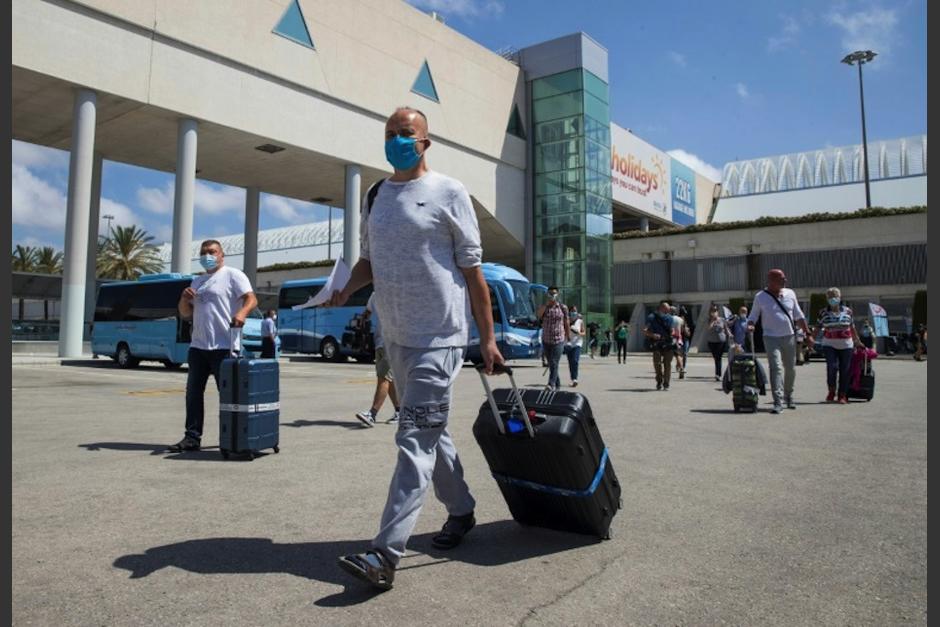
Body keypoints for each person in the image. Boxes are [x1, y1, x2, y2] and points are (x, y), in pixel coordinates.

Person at [329, 107, 503, 590]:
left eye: (406, 133)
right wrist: (345, 288)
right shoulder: (376, 194)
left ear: (425, 141)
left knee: (413, 440)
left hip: (439, 337)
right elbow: (369, 260)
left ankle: (384, 553)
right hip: (396, 335)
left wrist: (486, 338)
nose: (397, 140)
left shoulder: (449, 192)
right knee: (428, 431)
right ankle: (462, 511)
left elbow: (472, 271)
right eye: (390, 133)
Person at [167, 240, 257, 452]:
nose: (208, 255)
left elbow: (251, 299)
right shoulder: (197, 281)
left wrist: (242, 313)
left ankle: (231, 437)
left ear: (221, 255)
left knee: (228, 396)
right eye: (204, 252)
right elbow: (186, 313)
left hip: (224, 346)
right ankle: (192, 438)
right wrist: (183, 298)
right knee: (193, 394)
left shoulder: (233, 275)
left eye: (212, 252)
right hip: (198, 347)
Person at [746, 269, 813, 414]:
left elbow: (798, 315)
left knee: (791, 368)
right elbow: (753, 315)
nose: (785, 280)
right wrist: (750, 324)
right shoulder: (760, 297)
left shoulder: (790, 294)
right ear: (771, 280)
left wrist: (808, 333)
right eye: (781, 278)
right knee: (775, 367)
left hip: (789, 336)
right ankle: (778, 400)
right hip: (770, 337)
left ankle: (789, 395)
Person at [355, 293, 400, 426]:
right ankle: (400, 412)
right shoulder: (376, 294)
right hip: (380, 342)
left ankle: (372, 414)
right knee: (389, 379)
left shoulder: (395, 292)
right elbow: (368, 311)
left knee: (383, 378)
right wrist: (363, 319)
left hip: (391, 342)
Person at [817, 287, 859, 403]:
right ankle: (831, 390)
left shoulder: (848, 311)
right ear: (827, 298)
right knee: (832, 367)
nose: (833, 299)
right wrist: (810, 340)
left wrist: (858, 342)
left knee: (845, 370)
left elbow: (852, 328)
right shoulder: (823, 312)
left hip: (846, 345)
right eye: (830, 296)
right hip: (829, 344)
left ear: (840, 298)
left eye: (835, 296)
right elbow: (818, 327)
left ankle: (842, 395)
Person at [537, 286, 571, 391]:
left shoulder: (563, 307)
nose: (552, 295)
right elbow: (538, 315)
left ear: (558, 294)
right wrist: (546, 305)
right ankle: (558, 386)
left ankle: (551, 384)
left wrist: (568, 335)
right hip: (546, 339)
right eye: (550, 293)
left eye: (554, 293)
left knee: (554, 361)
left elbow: (566, 322)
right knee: (551, 363)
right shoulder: (545, 307)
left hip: (559, 339)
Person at [643, 300, 676, 391]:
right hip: (656, 343)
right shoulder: (652, 317)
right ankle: (659, 380)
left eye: (669, 308)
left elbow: (672, 329)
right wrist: (653, 335)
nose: (669, 309)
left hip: (667, 342)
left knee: (667, 363)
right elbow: (645, 330)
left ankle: (666, 383)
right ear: (661, 307)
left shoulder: (670, 318)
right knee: (657, 364)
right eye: (667, 308)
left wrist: (672, 333)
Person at [704, 305, 731, 381]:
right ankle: (718, 373)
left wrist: (730, 334)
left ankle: (718, 374)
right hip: (712, 342)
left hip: (721, 341)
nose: (714, 312)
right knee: (716, 357)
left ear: (718, 312)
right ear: (710, 312)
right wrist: (713, 320)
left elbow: (726, 328)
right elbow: (708, 328)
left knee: (718, 358)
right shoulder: (709, 320)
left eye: (715, 310)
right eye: (712, 311)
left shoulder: (722, 320)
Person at [566, 306, 585, 386]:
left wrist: (578, 333)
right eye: (572, 311)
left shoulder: (580, 321)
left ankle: (575, 379)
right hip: (568, 343)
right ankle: (572, 378)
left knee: (575, 360)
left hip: (577, 343)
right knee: (570, 362)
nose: (574, 312)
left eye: (575, 311)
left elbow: (584, 332)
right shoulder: (566, 321)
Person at [670, 306, 689, 378]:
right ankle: (681, 368)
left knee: (667, 355)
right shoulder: (680, 319)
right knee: (678, 354)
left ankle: (665, 370)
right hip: (678, 339)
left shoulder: (667, 318)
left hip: (670, 338)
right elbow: (684, 329)